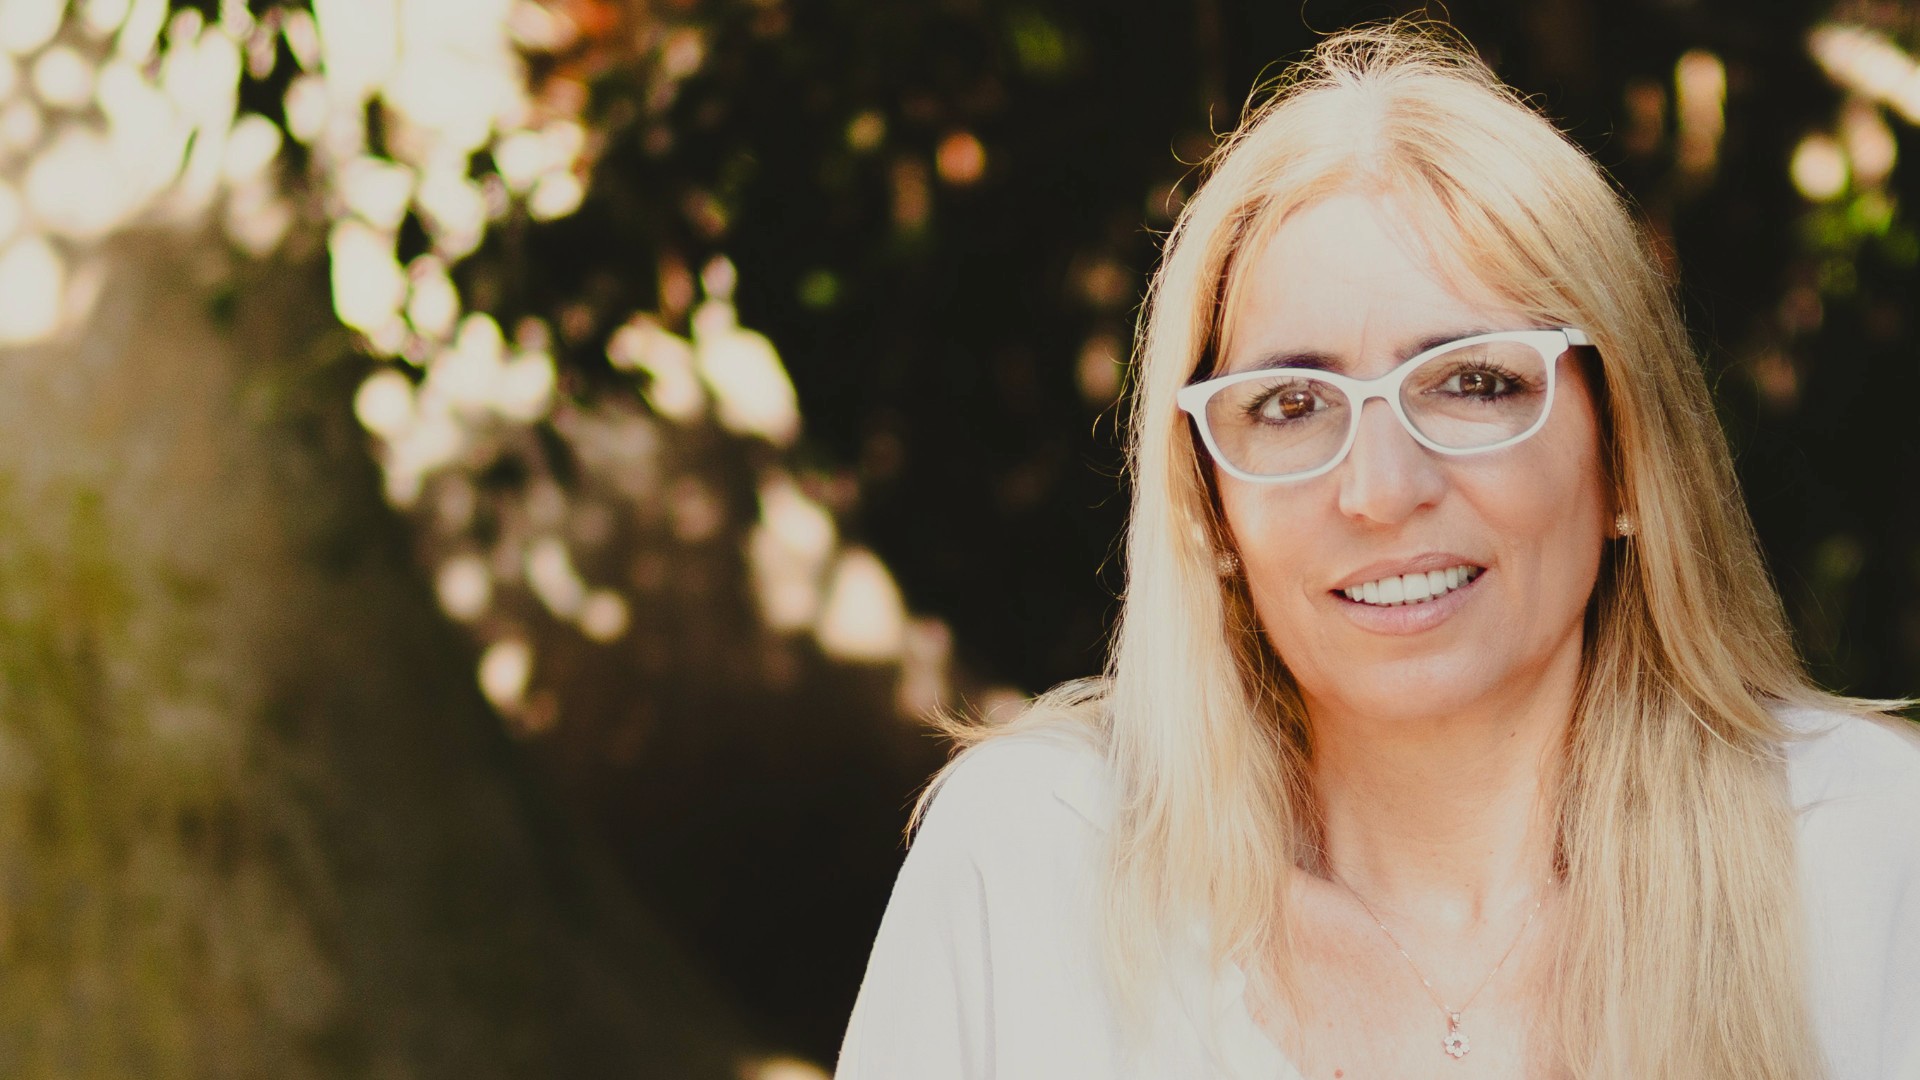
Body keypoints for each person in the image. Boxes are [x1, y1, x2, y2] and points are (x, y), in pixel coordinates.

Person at [835, 23, 1920, 1080]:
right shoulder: (1032, 868)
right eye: (1293, 403)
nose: (1381, 491)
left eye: (1474, 383)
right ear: (1209, 508)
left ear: (1629, 456)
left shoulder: (1868, 863)